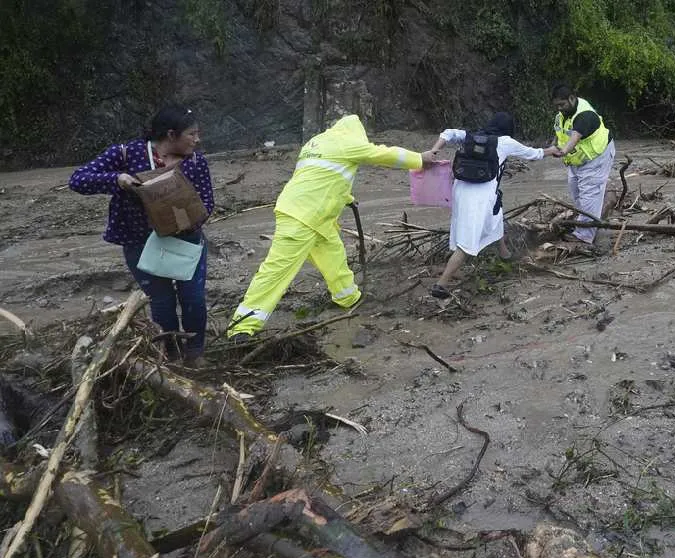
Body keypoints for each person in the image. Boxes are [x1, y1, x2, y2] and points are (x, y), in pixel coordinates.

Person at [228, 114, 436, 340]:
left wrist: (346, 197)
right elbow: (382, 154)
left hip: (312, 215)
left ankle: (347, 298)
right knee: (276, 271)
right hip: (303, 217)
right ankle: (242, 327)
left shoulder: (316, 142)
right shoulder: (347, 143)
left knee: (334, 257)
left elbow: (323, 176)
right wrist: (419, 158)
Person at [69, 104, 214, 367]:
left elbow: (207, 203)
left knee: (193, 296)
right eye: (192, 134)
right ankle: (171, 355)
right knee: (162, 300)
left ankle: (195, 353)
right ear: (171, 135)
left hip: (186, 240)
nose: (197, 140)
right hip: (140, 241)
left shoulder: (196, 161)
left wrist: (187, 219)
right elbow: (78, 180)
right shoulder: (126, 154)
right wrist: (117, 180)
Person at [427, 112, 561, 298]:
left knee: (495, 217)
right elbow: (533, 154)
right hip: (481, 196)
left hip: (460, 190)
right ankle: (441, 285)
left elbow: (447, 133)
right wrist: (552, 150)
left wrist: (433, 151)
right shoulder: (505, 142)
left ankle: (504, 254)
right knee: (468, 242)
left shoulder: (470, 136)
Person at [550, 84, 615, 246]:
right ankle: (588, 222)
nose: (559, 108)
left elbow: (574, 137)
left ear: (572, 98)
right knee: (575, 192)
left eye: (562, 104)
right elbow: (560, 132)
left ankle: (584, 236)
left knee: (589, 195)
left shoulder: (584, 115)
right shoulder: (563, 114)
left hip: (596, 157)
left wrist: (562, 151)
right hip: (577, 160)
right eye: (556, 105)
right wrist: (553, 145)